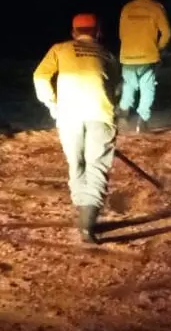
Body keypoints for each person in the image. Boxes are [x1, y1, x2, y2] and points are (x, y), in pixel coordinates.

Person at [33, 13, 121, 244]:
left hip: (69, 115)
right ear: (98, 31)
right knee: (97, 167)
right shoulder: (107, 54)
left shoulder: (60, 49)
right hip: (100, 115)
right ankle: (87, 222)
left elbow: (40, 76)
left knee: (76, 163)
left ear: (73, 32)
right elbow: (115, 87)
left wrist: (51, 101)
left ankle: (83, 210)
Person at [117, 0, 171, 133]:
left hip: (127, 56)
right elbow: (167, 33)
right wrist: (158, 48)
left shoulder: (127, 8)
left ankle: (123, 115)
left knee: (129, 86)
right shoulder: (156, 7)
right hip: (148, 56)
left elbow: (121, 33)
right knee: (147, 88)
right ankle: (142, 122)